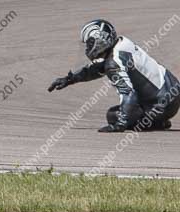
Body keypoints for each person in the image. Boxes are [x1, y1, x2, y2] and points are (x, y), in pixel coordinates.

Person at [48, 19, 180, 132]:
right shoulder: (122, 44)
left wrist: (121, 124)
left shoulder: (114, 63)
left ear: (101, 40)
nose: (87, 49)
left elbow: (128, 93)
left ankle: (155, 121)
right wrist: (69, 79)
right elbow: (98, 68)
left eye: (89, 43)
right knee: (128, 109)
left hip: (160, 105)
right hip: (172, 91)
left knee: (113, 115)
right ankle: (157, 120)